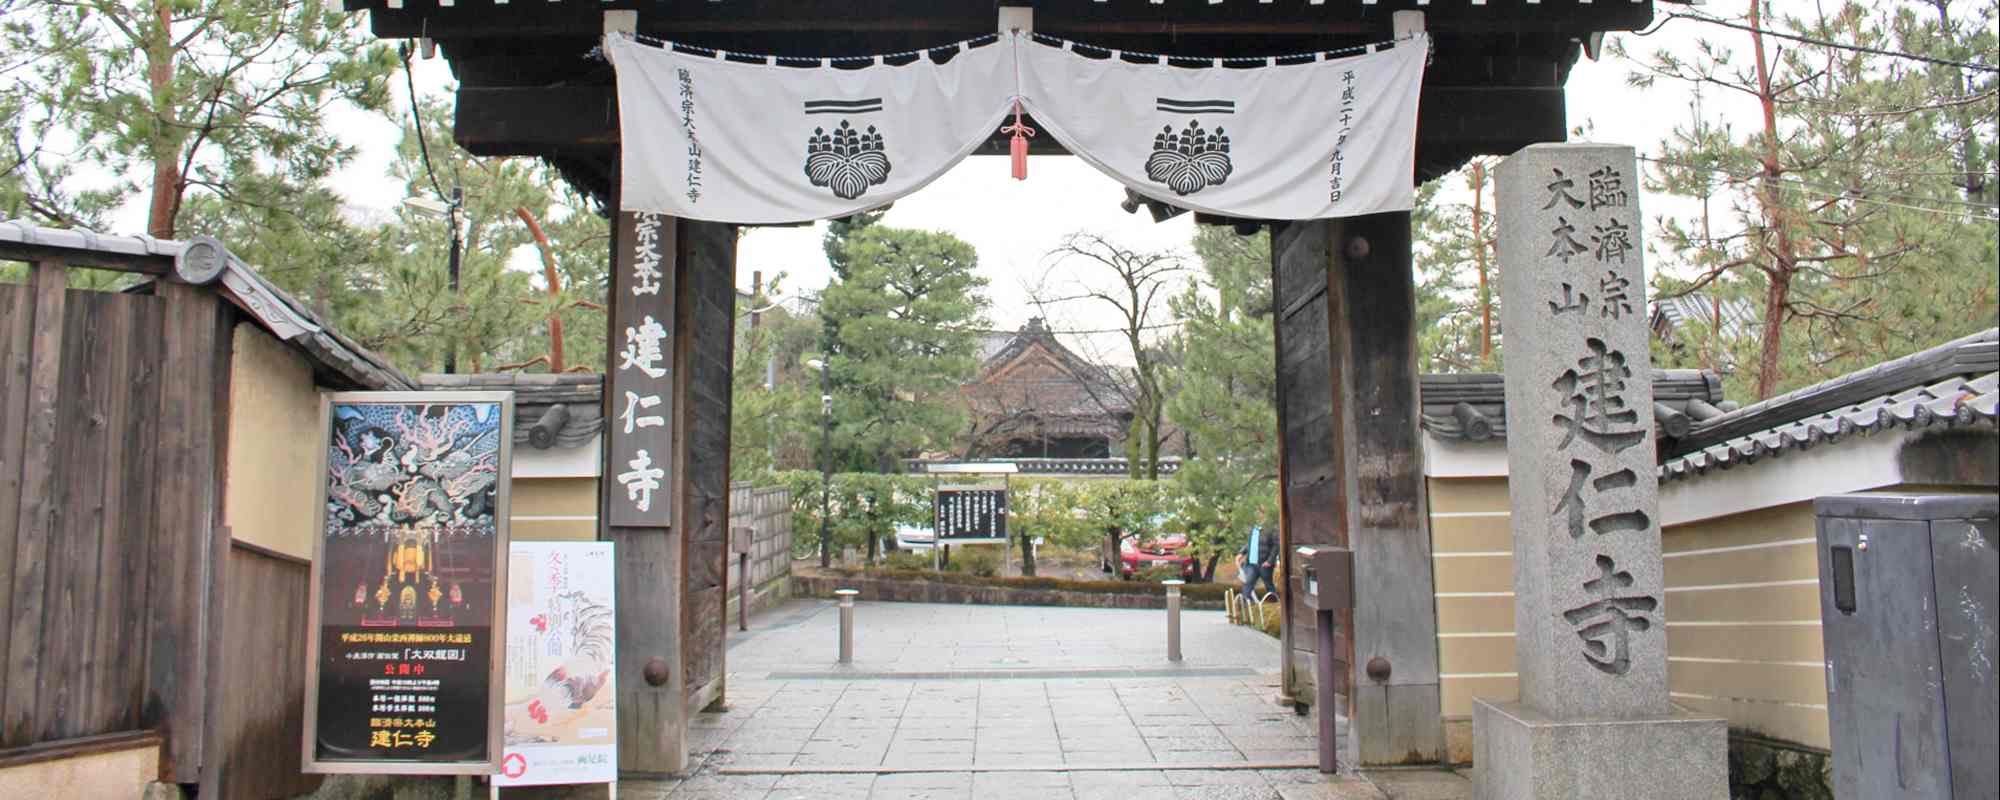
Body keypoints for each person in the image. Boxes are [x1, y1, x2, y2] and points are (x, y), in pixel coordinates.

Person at [1236, 523, 1278, 600]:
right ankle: (1245, 604)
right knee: (1248, 583)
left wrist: (1270, 561)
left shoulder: (1270, 529)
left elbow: (1276, 546)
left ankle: (1274, 602)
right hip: (1251, 563)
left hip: (1264, 564)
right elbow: (1250, 544)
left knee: (1268, 585)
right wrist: (1241, 553)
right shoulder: (1253, 529)